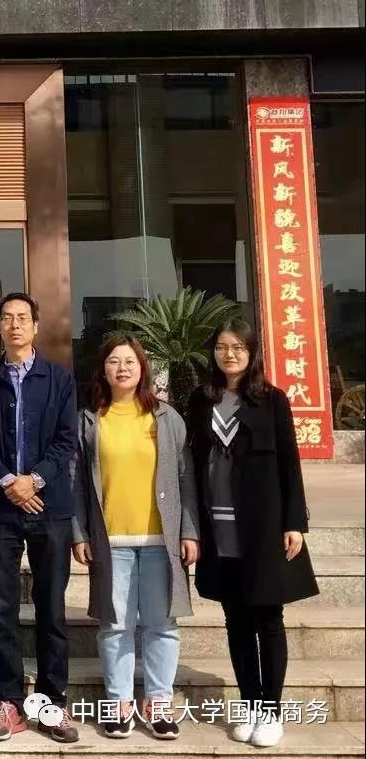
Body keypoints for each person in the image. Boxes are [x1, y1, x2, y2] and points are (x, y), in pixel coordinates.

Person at [186, 319, 318, 749]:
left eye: (238, 347)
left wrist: (294, 522)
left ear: (252, 352)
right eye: (222, 347)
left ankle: (271, 711)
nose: (230, 354)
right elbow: (192, 464)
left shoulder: (272, 400)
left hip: (262, 527)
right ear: (213, 352)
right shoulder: (201, 400)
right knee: (236, 620)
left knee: (268, 618)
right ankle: (249, 704)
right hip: (218, 526)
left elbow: (289, 464)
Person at [71, 335, 199, 739]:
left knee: (162, 624)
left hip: (161, 540)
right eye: (114, 361)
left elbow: (185, 478)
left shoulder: (165, 417)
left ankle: (159, 701)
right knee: (115, 626)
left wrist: (189, 531)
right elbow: (76, 483)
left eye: (130, 361)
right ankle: (119, 702)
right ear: (103, 370)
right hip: (110, 540)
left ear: (142, 368)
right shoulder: (89, 420)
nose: (122, 368)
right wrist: (79, 532)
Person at [0, 292, 79, 743]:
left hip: (50, 508)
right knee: (2, 608)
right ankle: (9, 701)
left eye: (22, 318)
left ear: (35, 325)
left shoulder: (60, 378)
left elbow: (66, 439)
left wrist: (34, 480)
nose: (15, 325)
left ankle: (53, 703)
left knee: (52, 608)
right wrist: (9, 482)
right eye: (7, 318)